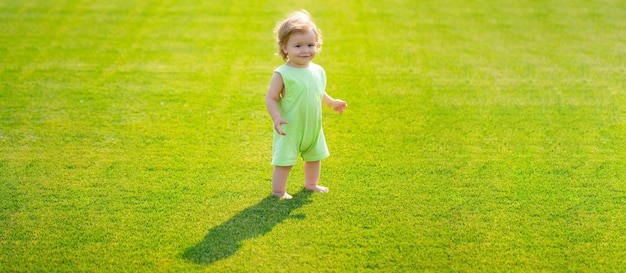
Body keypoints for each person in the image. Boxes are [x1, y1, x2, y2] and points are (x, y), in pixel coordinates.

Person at [265, 10, 347, 199]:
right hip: (290, 126)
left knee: (314, 157)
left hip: (312, 127)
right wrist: (276, 117)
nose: (305, 50)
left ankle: (311, 184)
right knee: (284, 160)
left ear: (317, 45)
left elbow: (318, 92)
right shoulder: (282, 73)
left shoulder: (318, 71)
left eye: (310, 45)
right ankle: (278, 191)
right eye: (298, 46)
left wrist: (332, 103)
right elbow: (271, 97)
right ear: (285, 48)